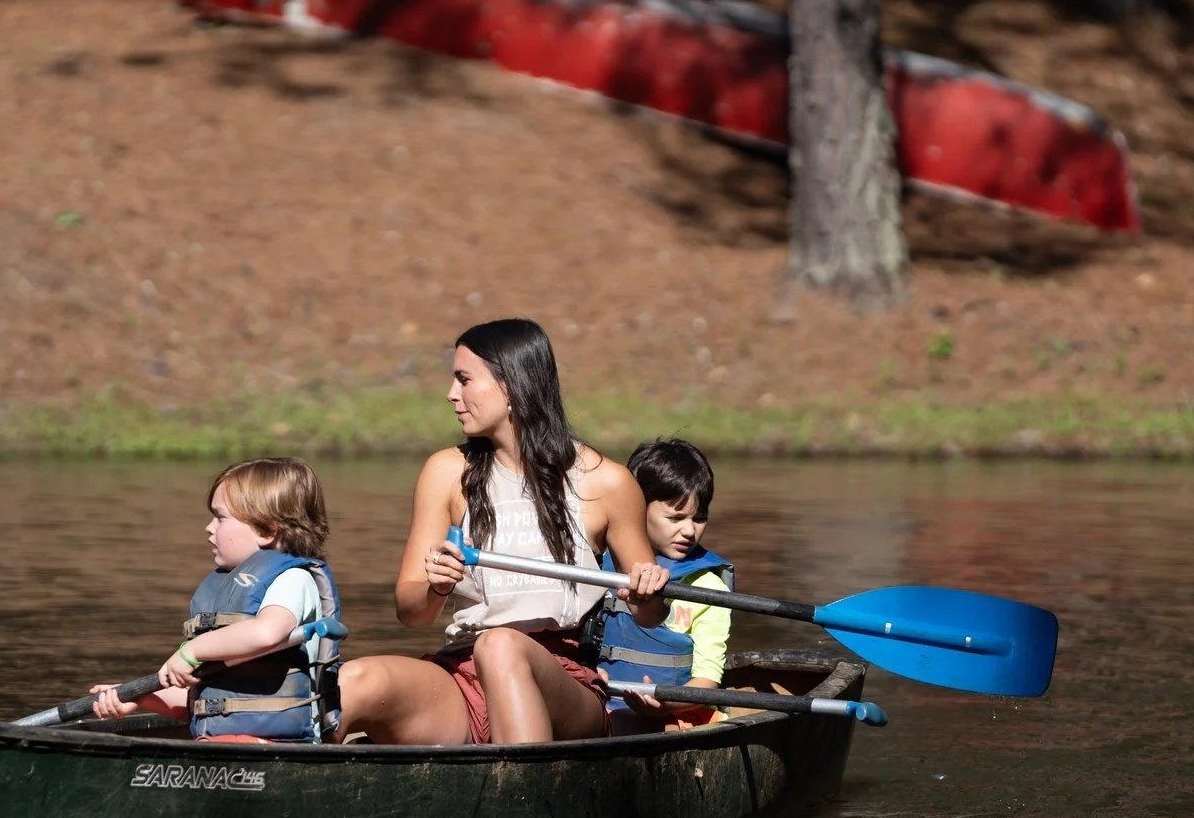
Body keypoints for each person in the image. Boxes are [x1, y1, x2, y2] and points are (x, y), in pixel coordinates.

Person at [335, 319, 669, 745]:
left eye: (464, 380)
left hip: (563, 683)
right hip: (463, 672)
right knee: (355, 679)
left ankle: (522, 798)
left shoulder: (607, 482)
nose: (451, 394)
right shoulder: (445, 472)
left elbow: (651, 613)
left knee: (501, 646)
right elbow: (410, 611)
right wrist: (435, 588)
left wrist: (649, 591)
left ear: (510, 386)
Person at [90, 456, 342, 741]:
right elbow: (202, 700)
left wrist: (191, 651)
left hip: (283, 744)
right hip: (224, 741)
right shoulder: (225, 591)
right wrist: (140, 697)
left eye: (220, 517)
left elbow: (268, 631)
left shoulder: (292, 580)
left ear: (267, 530)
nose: (209, 528)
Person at [591, 437, 735, 733]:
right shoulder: (599, 563)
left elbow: (707, 682)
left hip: (675, 711)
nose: (689, 531)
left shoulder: (708, 587)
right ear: (635, 507)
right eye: (675, 517)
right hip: (602, 699)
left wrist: (664, 705)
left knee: (626, 725)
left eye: (700, 518)